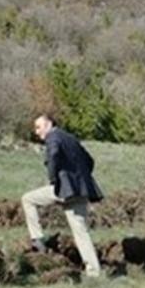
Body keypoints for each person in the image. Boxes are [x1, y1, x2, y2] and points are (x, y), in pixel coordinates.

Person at [22, 114, 104, 278]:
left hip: (64, 190)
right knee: (81, 231)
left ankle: (37, 239)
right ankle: (94, 271)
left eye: (39, 127)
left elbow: (53, 155)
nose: (37, 132)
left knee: (28, 199)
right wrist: (79, 178)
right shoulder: (70, 138)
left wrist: (53, 179)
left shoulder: (53, 137)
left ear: (49, 124)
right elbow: (90, 160)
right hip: (81, 190)